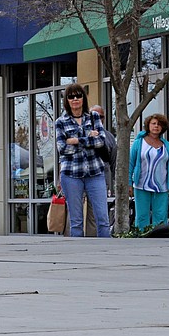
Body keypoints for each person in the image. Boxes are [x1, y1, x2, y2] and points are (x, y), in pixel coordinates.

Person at [54, 83, 111, 237]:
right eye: (71, 96)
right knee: (76, 220)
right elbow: (63, 149)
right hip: (71, 174)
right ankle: (77, 254)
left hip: (95, 172)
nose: (75, 99)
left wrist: (75, 140)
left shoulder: (93, 117)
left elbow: (100, 141)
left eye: (78, 95)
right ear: (67, 100)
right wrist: (88, 139)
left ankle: (108, 252)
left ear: (83, 98)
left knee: (102, 218)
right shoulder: (60, 122)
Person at [129, 113, 169, 230]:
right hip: (141, 185)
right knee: (142, 217)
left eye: (159, 124)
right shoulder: (139, 142)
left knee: (161, 217)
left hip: (162, 186)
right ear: (148, 125)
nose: (156, 126)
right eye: (153, 123)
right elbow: (130, 163)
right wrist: (129, 183)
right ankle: (141, 240)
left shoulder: (166, 145)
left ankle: (160, 240)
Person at [84, 105, 116, 235]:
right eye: (93, 115)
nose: (97, 118)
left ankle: (97, 242)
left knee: (99, 214)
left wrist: (115, 185)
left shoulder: (108, 137)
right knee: (77, 216)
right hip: (80, 179)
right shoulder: (79, 132)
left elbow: (114, 162)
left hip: (101, 180)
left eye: (100, 116)